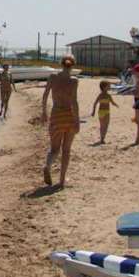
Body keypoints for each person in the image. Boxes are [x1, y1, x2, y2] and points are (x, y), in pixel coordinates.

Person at [41, 55, 80, 187]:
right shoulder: (74, 80)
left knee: (54, 149)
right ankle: (62, 181)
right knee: (66, 150)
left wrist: (43, 112)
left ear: (61, 64)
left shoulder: (53, 77)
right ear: (72, 65)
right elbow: (74, 102)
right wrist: (77, 121)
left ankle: (48, 165)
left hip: (56, 114)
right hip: (69, 115)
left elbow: (45, 95)